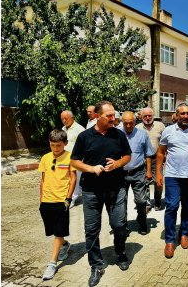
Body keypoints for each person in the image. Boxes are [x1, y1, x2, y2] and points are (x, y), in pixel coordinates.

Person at [70, 101, 132, 286]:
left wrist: (116, 164)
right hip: (91, 191)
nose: (114, 119)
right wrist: (90, 168)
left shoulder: (119, 134)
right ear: (98, 116)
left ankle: (120, 252)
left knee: (119, 225)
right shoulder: (84, 136)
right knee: (91, 230)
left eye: (114, 115)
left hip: (116, 188)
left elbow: (128, 156)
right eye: (109, 116)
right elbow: (74, 161)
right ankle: (96, 265)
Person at [156, 103, 188, 259]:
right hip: (172, 175)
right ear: (177, 115)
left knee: (187, 206)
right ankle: (170, 241)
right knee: (171, 206)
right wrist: (158, 173)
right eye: (183, 113)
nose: (186, 116)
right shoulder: (168, 131)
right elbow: (160, 153)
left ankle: (184, 233)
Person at [38, 130, 77, 281]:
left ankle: (52, 263)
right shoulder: (45, 158)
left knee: (58, 233)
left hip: (62, 201)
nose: (55, 149)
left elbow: (73, 179)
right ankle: (65, 245)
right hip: (46, 201)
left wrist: (68, 198)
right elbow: (42, 180)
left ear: (65, 143)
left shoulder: (70, 158)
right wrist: (41, 200)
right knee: (54, 231)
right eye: (52, 145)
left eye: (58, 145)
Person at [120, 111, 154, 235]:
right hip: (121, 173)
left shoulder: (142, 134)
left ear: (135, 122)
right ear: (122, 122)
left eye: (131, 123)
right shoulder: (117, 134)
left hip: (138, 172)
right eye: (125, 123)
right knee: (121, 201)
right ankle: (122, 226)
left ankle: (142, 222)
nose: (128, 126)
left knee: (141, 201)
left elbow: (148, 154)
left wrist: (149, 171)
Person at [136, 107, 166, 211]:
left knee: (159, 181)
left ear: (153, 116)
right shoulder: (137, 127)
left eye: (150, 116)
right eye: (145, 116)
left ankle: (157, 201)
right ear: (141, 117)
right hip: (143, 159)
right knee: (144, 181)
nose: (148, 118)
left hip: (157, 158)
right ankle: (147, 203)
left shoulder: (160, 126)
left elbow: (166, 141)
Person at [60, 110, 86, 206]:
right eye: (62, 119)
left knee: (74, 178)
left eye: (66, 118)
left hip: (76, 159)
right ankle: (68, 196)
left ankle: (72, 199)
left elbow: (85, 144)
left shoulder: (79, 129)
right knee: (67, 179)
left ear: (72, 118)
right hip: (65, 158)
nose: (64, 121)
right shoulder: (63, 128)